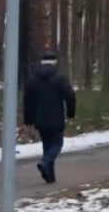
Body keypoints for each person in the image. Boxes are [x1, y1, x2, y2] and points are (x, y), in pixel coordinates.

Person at [23, 51, 76, 184]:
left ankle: (49, 176)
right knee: (57, 144)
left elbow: (27, 101)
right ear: (55, 62)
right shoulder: (60, 78)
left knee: (47, 146)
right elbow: (70, 96)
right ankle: (45, 163)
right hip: (56, 118)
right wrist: (71, 113)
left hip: (39, 119)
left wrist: (29, 119)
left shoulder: (33, 79)